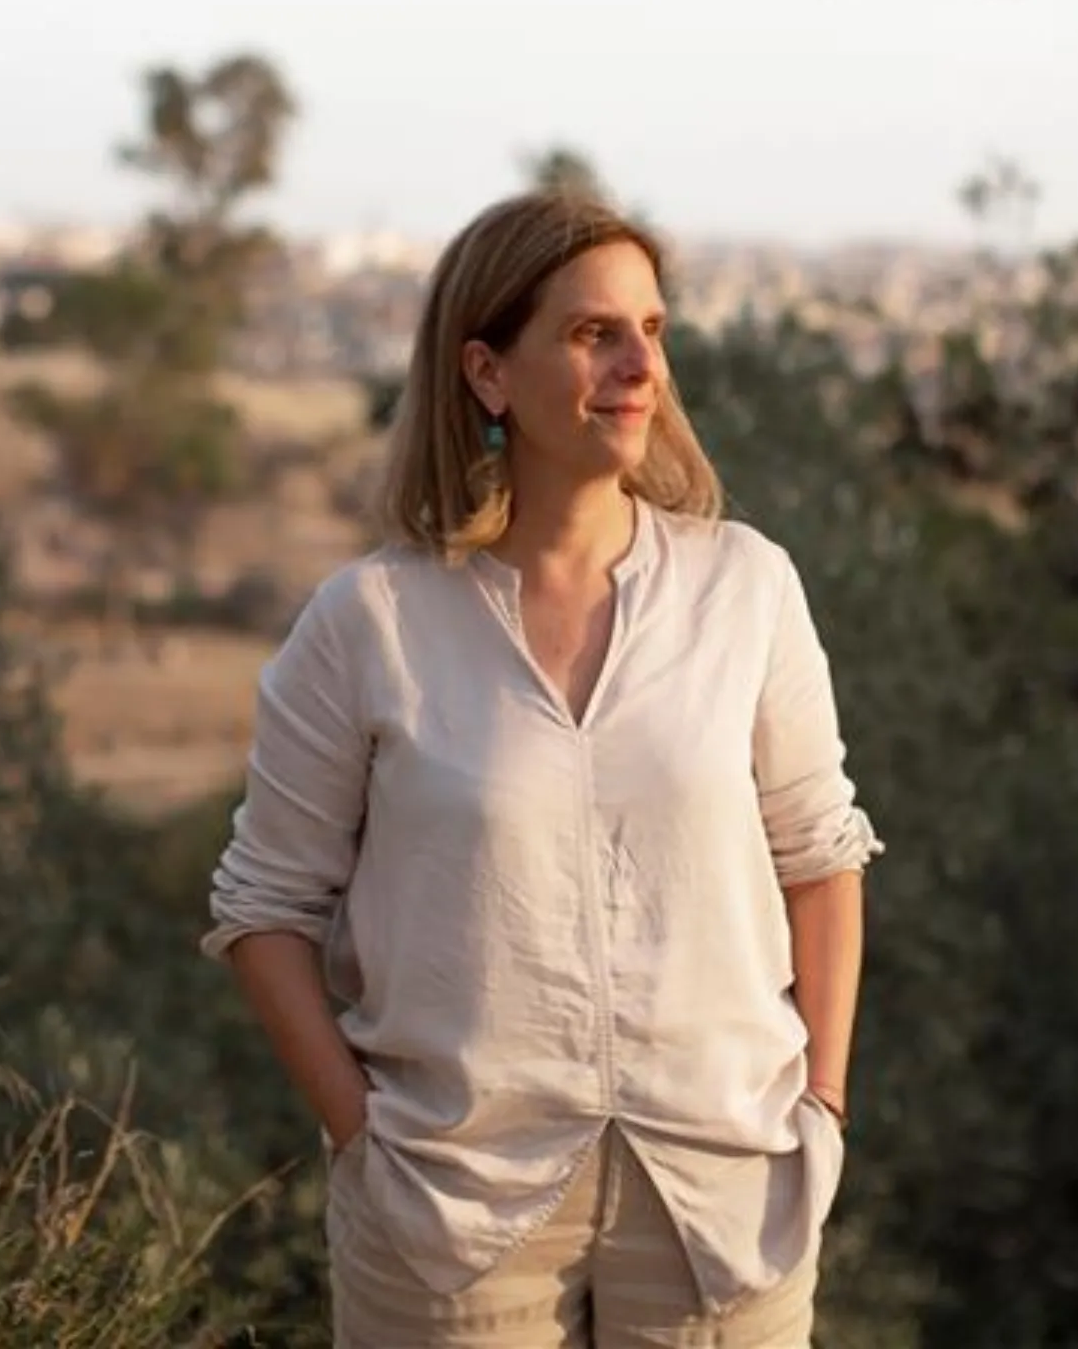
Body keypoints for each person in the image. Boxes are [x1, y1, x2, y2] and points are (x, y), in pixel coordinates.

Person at [203, 189, 881, 1347]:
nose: (637, 367)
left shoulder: (746, 588)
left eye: (652, 331)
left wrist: (821, 1109)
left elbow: (821, 859)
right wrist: (367, 1142)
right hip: (454, 1215)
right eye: (591, 333)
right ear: (487, 373)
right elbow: (263, 910)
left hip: (724, 1195)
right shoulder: (369, 621)